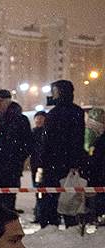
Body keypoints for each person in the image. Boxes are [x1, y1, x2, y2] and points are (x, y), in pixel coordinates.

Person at [35, 80, 86, 228]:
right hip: (70, 163)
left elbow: (47, 141)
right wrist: (76, 161)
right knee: (70, 196)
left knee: (50, 197)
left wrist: (41, 162)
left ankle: (50, 225)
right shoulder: (77, 111)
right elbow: (78, 139)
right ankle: (71, 224)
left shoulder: (54, 114)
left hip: (53, 163)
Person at [0, 89, 33, 212]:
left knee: (9, 200)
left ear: (9, 102)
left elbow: (27, 142)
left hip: (12, 167)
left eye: (2, 101)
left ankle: (8, 228)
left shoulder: (20, 120)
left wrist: (18, 158)